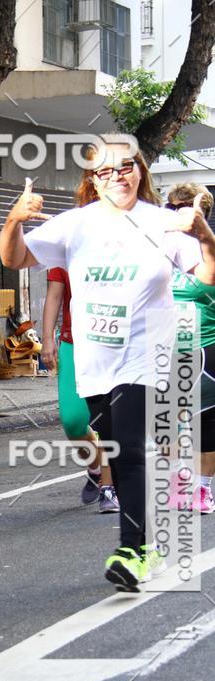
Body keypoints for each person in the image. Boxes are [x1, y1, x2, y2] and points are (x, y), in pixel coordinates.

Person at [0, 138, 215, 590]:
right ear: (93, 180)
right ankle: (149, 547)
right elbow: (14, 257)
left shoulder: (163, 223)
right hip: (95, 359)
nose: (118, 176)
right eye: (106, 171)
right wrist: (15, 220)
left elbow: (206, 277)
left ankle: (132, 549)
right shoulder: (75, 225)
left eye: (126, 167)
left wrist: (206, 239)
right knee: (115, 445)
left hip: (146, 353)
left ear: (140, 171)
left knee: (130, 448)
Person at [42, 267, 119, 513]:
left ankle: (109, 488)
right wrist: (47, 338)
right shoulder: (66, 246)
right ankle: (95, 467)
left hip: (113, 344)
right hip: (72, 343)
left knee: (107, 419)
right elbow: (54, 295)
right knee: (73, 421)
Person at [167, 183, 215, 514]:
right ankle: (179, 481)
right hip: (163, 348)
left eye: (186, 205)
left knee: (205, 421)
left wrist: (203, 236)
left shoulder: (208, 249)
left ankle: (203, 489)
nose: (179, 211)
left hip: (205, 348)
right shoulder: (159, 249)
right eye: (173, 207)